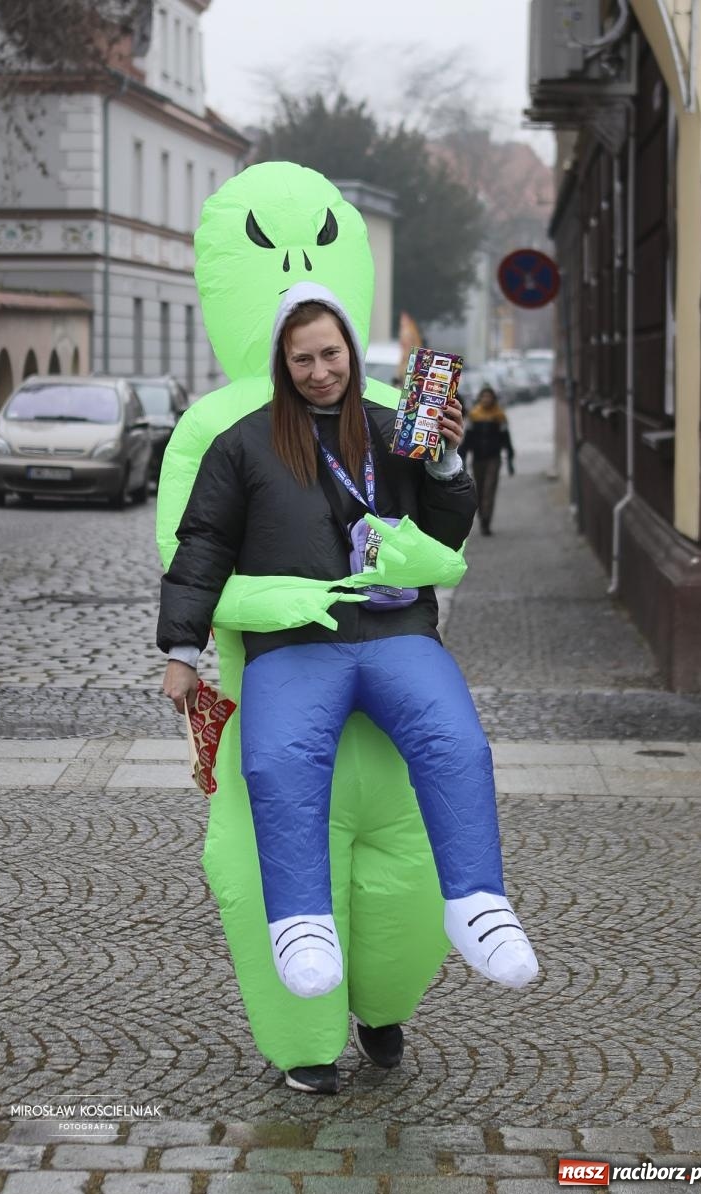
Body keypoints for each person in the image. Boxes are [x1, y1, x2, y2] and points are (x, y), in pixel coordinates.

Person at [158, 281, 538, 1091]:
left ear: (351, 349)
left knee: (457, 742)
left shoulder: (399, 426)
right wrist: (182, 648)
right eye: (304, 359)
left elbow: (447, 527)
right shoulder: (243, 443)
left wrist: (443, 462)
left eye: (331, 354)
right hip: (297, 646)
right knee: (276, 761)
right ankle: (301, 925)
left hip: (398, 634)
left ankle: (479, 905)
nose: (321, 371)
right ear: (282, 363)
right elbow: (202, 545)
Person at [460, 385, 515, 535]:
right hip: (477, 459)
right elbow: (467, 440)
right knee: (480, 489)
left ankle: (486, 519)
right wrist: (462, 457)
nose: (486, 399)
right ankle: (482, 514)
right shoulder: (474, 416)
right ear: (480, 398)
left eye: (489, 396)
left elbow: (506, 439)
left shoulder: (499, 416)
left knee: (489, 490)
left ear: (493, 398)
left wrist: (510, 458)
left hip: (493, 459)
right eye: (483, 396)